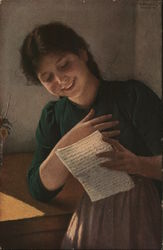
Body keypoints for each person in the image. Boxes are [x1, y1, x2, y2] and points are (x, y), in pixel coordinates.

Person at [20, 22, 162, 249]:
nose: (60, 80)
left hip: (140, 217)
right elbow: (39, 189)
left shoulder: (131, 97)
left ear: (82, 54)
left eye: (64, 65)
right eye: (47, 78)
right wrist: (68, 142)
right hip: (92, 216)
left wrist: (138, 164)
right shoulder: (53, 116)